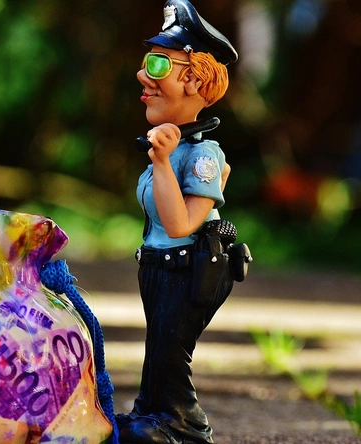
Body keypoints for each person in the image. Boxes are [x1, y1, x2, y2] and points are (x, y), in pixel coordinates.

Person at [116, 1, 241, 443]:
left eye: (157, 65)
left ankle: (184, 426)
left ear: (193, 80)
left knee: (171, 350)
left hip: (189, 268)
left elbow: (180, 224)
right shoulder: (173, 148)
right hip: (158, 266)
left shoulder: (202, 154)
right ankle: (150, 411)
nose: (142, 76)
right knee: (157, 344)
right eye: (146, 62)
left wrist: (164, 161)